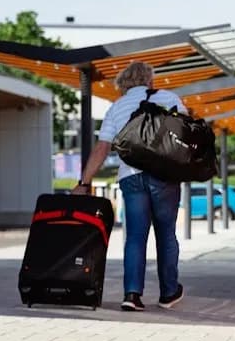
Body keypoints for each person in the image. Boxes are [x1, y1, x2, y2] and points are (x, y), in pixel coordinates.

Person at [73, 61, 186, 312]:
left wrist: (84, 182)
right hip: (164, 176)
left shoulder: (117, 107)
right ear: (150, 79)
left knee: (135, 236)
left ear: (123, 84)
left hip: (131, 177)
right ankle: (169, 293)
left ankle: (132, 294)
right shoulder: (169, 98)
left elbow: (102, 148)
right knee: (166, 233)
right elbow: (185, 134)